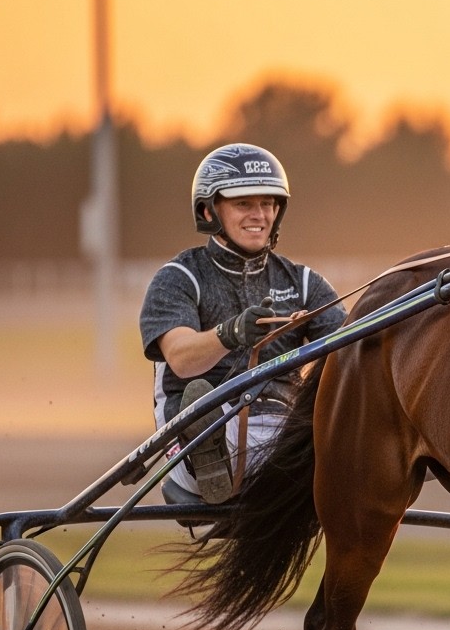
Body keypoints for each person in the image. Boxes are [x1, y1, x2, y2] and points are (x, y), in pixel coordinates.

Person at [139, 143, 346, 504]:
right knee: (205, 407)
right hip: (198, 434)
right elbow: (182, 359)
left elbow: (351, 350)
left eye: (267, 203)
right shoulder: (179, 277)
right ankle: (215, 458)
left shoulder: (304, 282)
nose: (259, 215)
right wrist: (231, 333)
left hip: (284, 430)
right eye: (244, 204)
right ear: (209, 210)